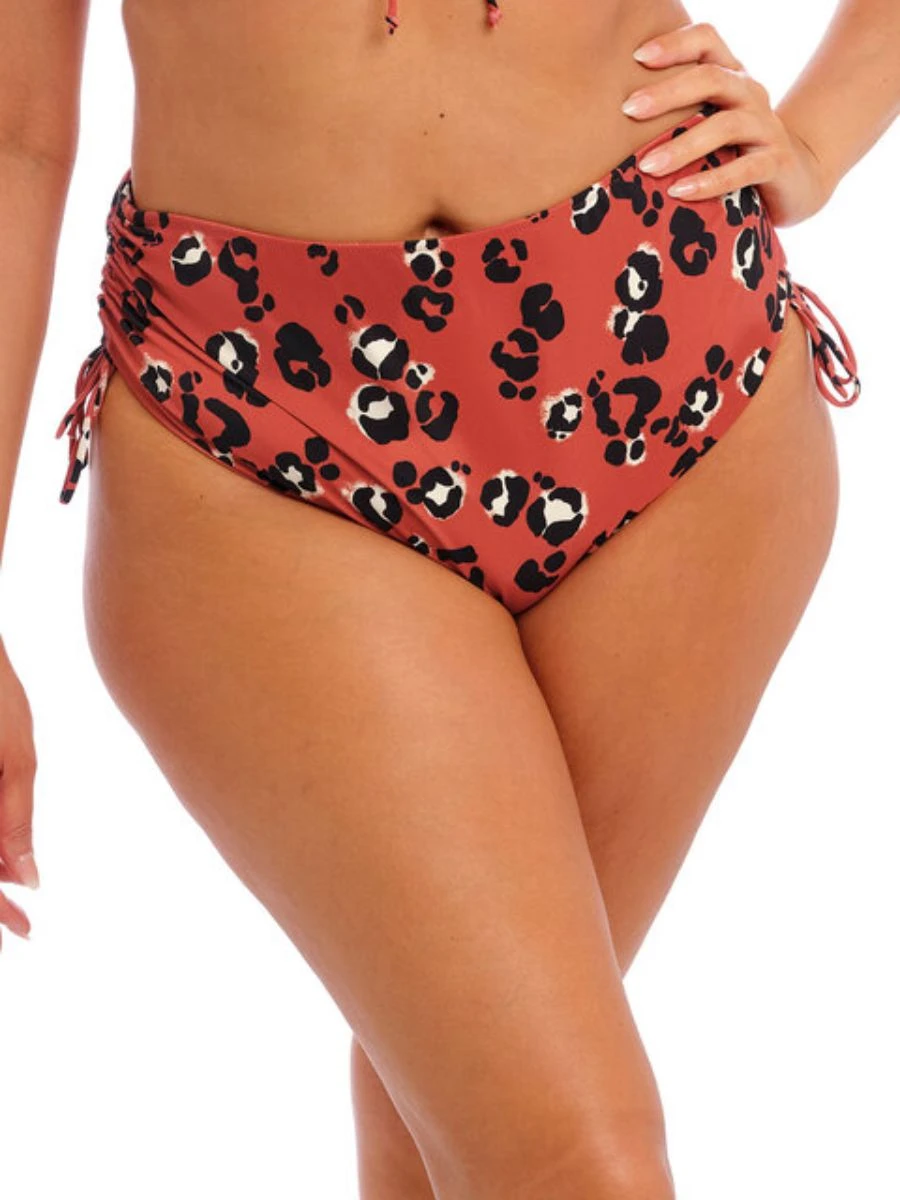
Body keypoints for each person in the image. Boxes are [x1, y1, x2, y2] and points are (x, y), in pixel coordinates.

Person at [0, 1, 891, 1196]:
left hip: (671, 363)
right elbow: (14, 134)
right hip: (264, 421)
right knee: (576, 1161)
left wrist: (820, 136)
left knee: (455, 1124)